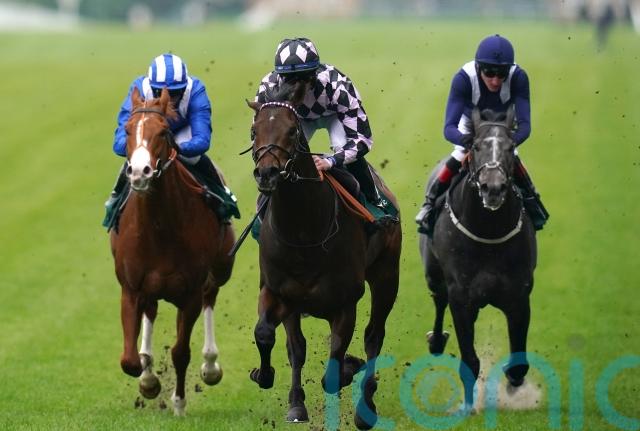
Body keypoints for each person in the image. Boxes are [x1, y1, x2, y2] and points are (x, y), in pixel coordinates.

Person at [415, 34, 548, 236]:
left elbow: (525, 126)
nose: (495, 80)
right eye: (489, 72)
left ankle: (533, 202)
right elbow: (449, 128)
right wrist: (468, 142)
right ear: (478, 68)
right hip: (471, 125)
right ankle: (430, 204)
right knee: (460, 154)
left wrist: (507, 144)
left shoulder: (519, 77)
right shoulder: (463, 78)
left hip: (502, 126)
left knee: (512, 157)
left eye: (502, 74)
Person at [254, 37, 396, 220]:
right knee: (278, 153)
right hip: (296, 118)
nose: (296, 86)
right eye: (289, 79)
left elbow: (362, 140)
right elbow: (260, 135)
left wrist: (331, 161)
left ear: (314, 74)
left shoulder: (338, 85)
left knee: (341, 146)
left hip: (333, 115)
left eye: (303, 78)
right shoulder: (269, 86)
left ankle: (374, 200)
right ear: (280, 76)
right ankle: (264, 211)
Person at [104, 53, 237, 228]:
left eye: (175, 93)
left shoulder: (195, 90)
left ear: (184, 88)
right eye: (159, 92)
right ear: (152, 88)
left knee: (194, 158)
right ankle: (115, 201)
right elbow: (120, 142)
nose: (168, 98)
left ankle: (222, 196)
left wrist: (176, 147)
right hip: (150, 136)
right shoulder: (140, 89)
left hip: (182, 134)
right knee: (134, 162)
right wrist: (137, 150)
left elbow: (202, 139)